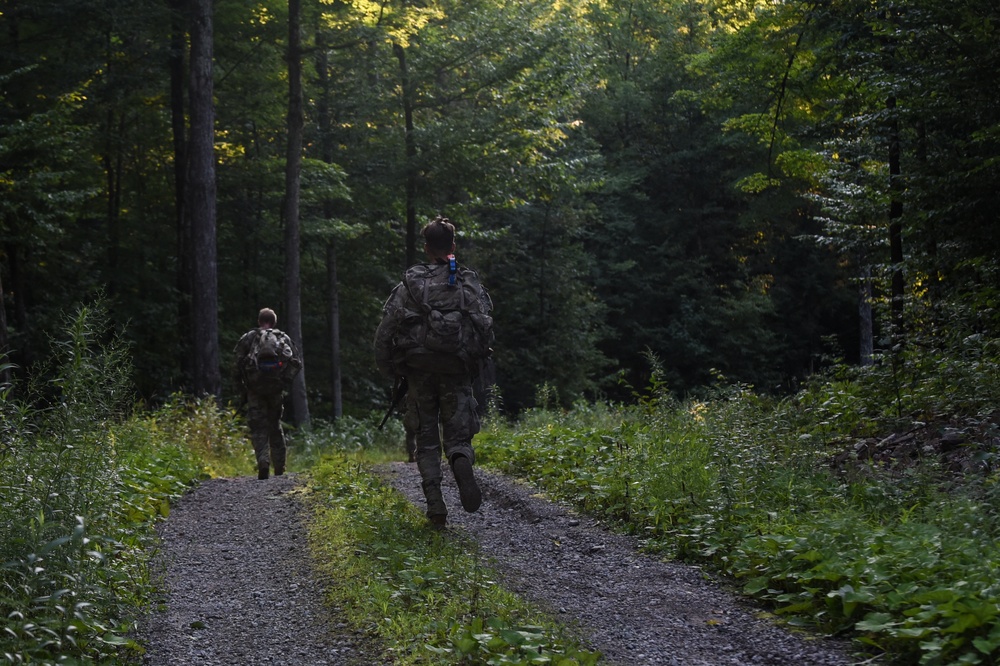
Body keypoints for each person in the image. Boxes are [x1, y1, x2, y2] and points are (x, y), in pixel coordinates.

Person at [374, 216, 494, 528]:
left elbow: (385, 330)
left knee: (425, 439)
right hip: (456, 368)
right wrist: (475, 362)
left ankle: (436, 505)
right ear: (453, 246)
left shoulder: (409, 285)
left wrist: (389, 367)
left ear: (427, 248)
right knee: (458, 434)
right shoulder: (468, 283)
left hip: (419, 371)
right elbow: (485, 329)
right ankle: (460, 458)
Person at [233, 308, 301, 480]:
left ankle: (263, 462)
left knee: (258, 427)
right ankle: (280, 468)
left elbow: (237, 364)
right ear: (274, 322)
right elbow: (296, 362)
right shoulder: (283, 338)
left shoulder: (249, 338)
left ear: (259, 321)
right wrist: (284, 381)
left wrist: (242, 388)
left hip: (254, 389)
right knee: (275, 426)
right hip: (275, 389)